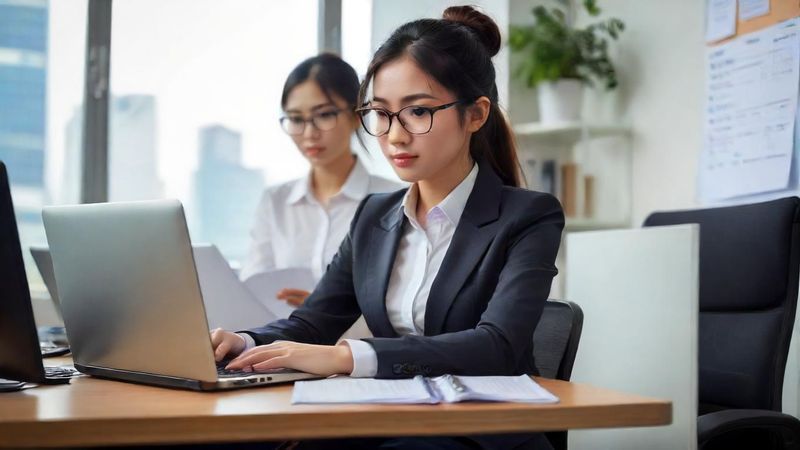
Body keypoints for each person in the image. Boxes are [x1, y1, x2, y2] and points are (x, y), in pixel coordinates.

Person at [213, 6, 564, 449]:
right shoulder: (373, 216)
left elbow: (495, 346)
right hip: (386, 420)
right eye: (380, 113)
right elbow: (312, 323)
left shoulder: (529, 216)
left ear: (475, 115)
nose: (394, 136)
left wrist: (346, 357)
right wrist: (243, 343)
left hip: (479, 433)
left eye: (418, 112)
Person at [239, 53, 402, 312]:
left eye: (324, 115)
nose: (309, 133)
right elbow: (251, 286)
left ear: (355, 115)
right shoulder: (276, 201)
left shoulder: (395, 199)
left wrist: (326, 310)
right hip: (281, 342)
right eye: (296, 119)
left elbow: (403, 302)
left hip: (356, 348)